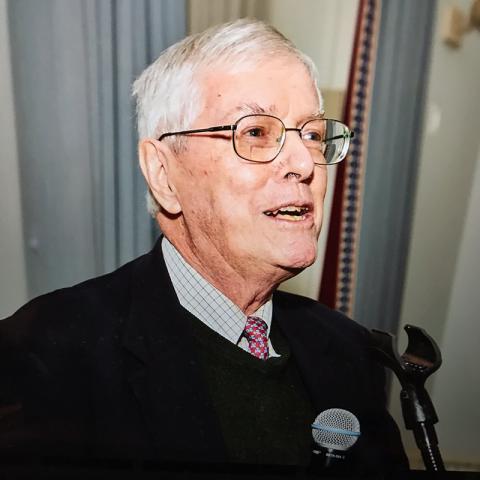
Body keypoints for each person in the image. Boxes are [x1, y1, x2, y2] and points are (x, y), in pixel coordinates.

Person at [0, 19, 408, 473]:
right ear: (163, 173)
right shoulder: (47, 351)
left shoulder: (349, 349)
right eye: (255, 133)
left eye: (311, 135)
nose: (302, 164)